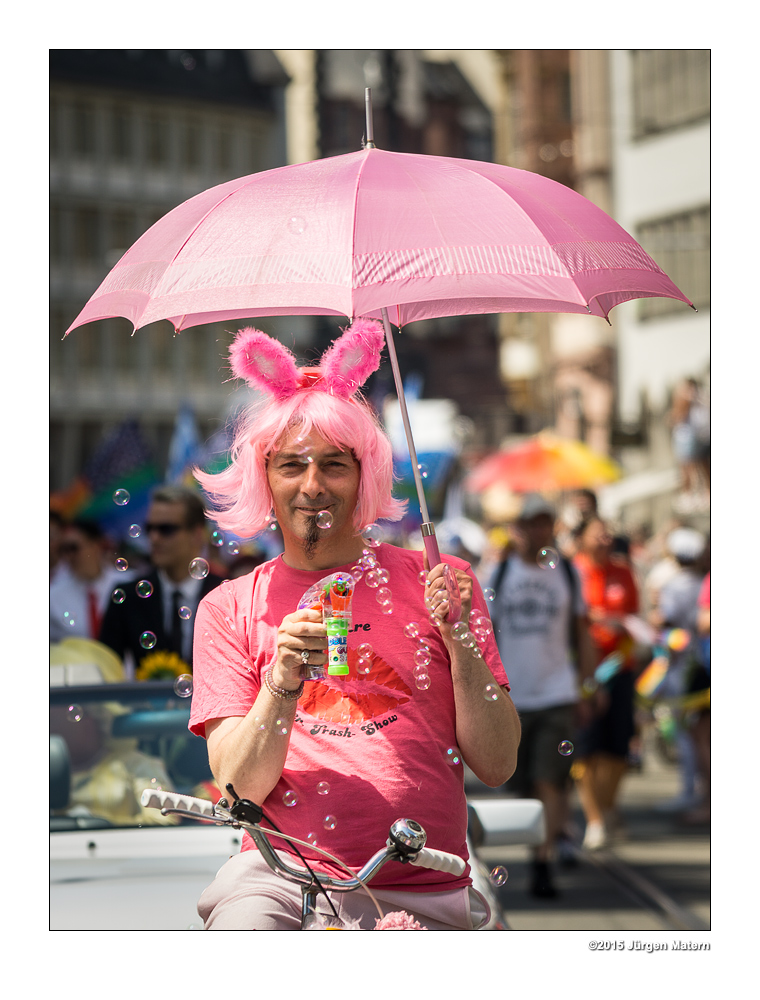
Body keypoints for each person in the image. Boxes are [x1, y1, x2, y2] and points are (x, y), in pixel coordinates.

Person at [188, 319, 521, 930]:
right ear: (263, 478)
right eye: (291, 466)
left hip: (428, 883)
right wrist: (282, 681)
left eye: (334, 466)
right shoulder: (230, 606)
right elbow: (238, 790)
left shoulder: (440, 580)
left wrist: (460, 639)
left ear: (365, 473)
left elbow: (497, 763)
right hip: (282, 884)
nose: (313, 486)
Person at [487, 493, 595, 898]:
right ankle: (543, 846)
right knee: (526, 785)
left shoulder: (566, 572)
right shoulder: (497, 575)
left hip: (557, 693)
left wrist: (588, 684)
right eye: (531, 522)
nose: (539, 530)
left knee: (550, 781)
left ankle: (543, 860)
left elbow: (581, 631)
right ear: (519, 528)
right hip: (511, 698)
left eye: (545, 522)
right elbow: (481, 638)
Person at [99, 485, 223, 675]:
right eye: (150, 528)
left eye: (166, 529)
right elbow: (105, 670)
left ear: (197, 535)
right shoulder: (128, 596)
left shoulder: (226, 595)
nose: (154, 538)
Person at [571, 514, 640, 849]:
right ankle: (595, 819)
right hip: (585, 670)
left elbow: (634, 615)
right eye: (599, 533)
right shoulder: (574, 570)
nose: (606, 539)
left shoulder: (623, 571)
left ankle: (607, 805)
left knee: (617, 746)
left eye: (608, 533)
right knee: (586, 747)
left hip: (619, 667)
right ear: (582, 537)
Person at [650, 527, 708, 818]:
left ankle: (691, 790)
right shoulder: (702, 582)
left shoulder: (673, 586)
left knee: (688, 734)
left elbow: (668, 626)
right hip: (699, 663)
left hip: (682, 666)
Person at [50, 519, 124, 642]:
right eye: (64, 549)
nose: (69, 556)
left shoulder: (126, 583)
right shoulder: (53, 596)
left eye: (73, 548)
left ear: (95, 545)